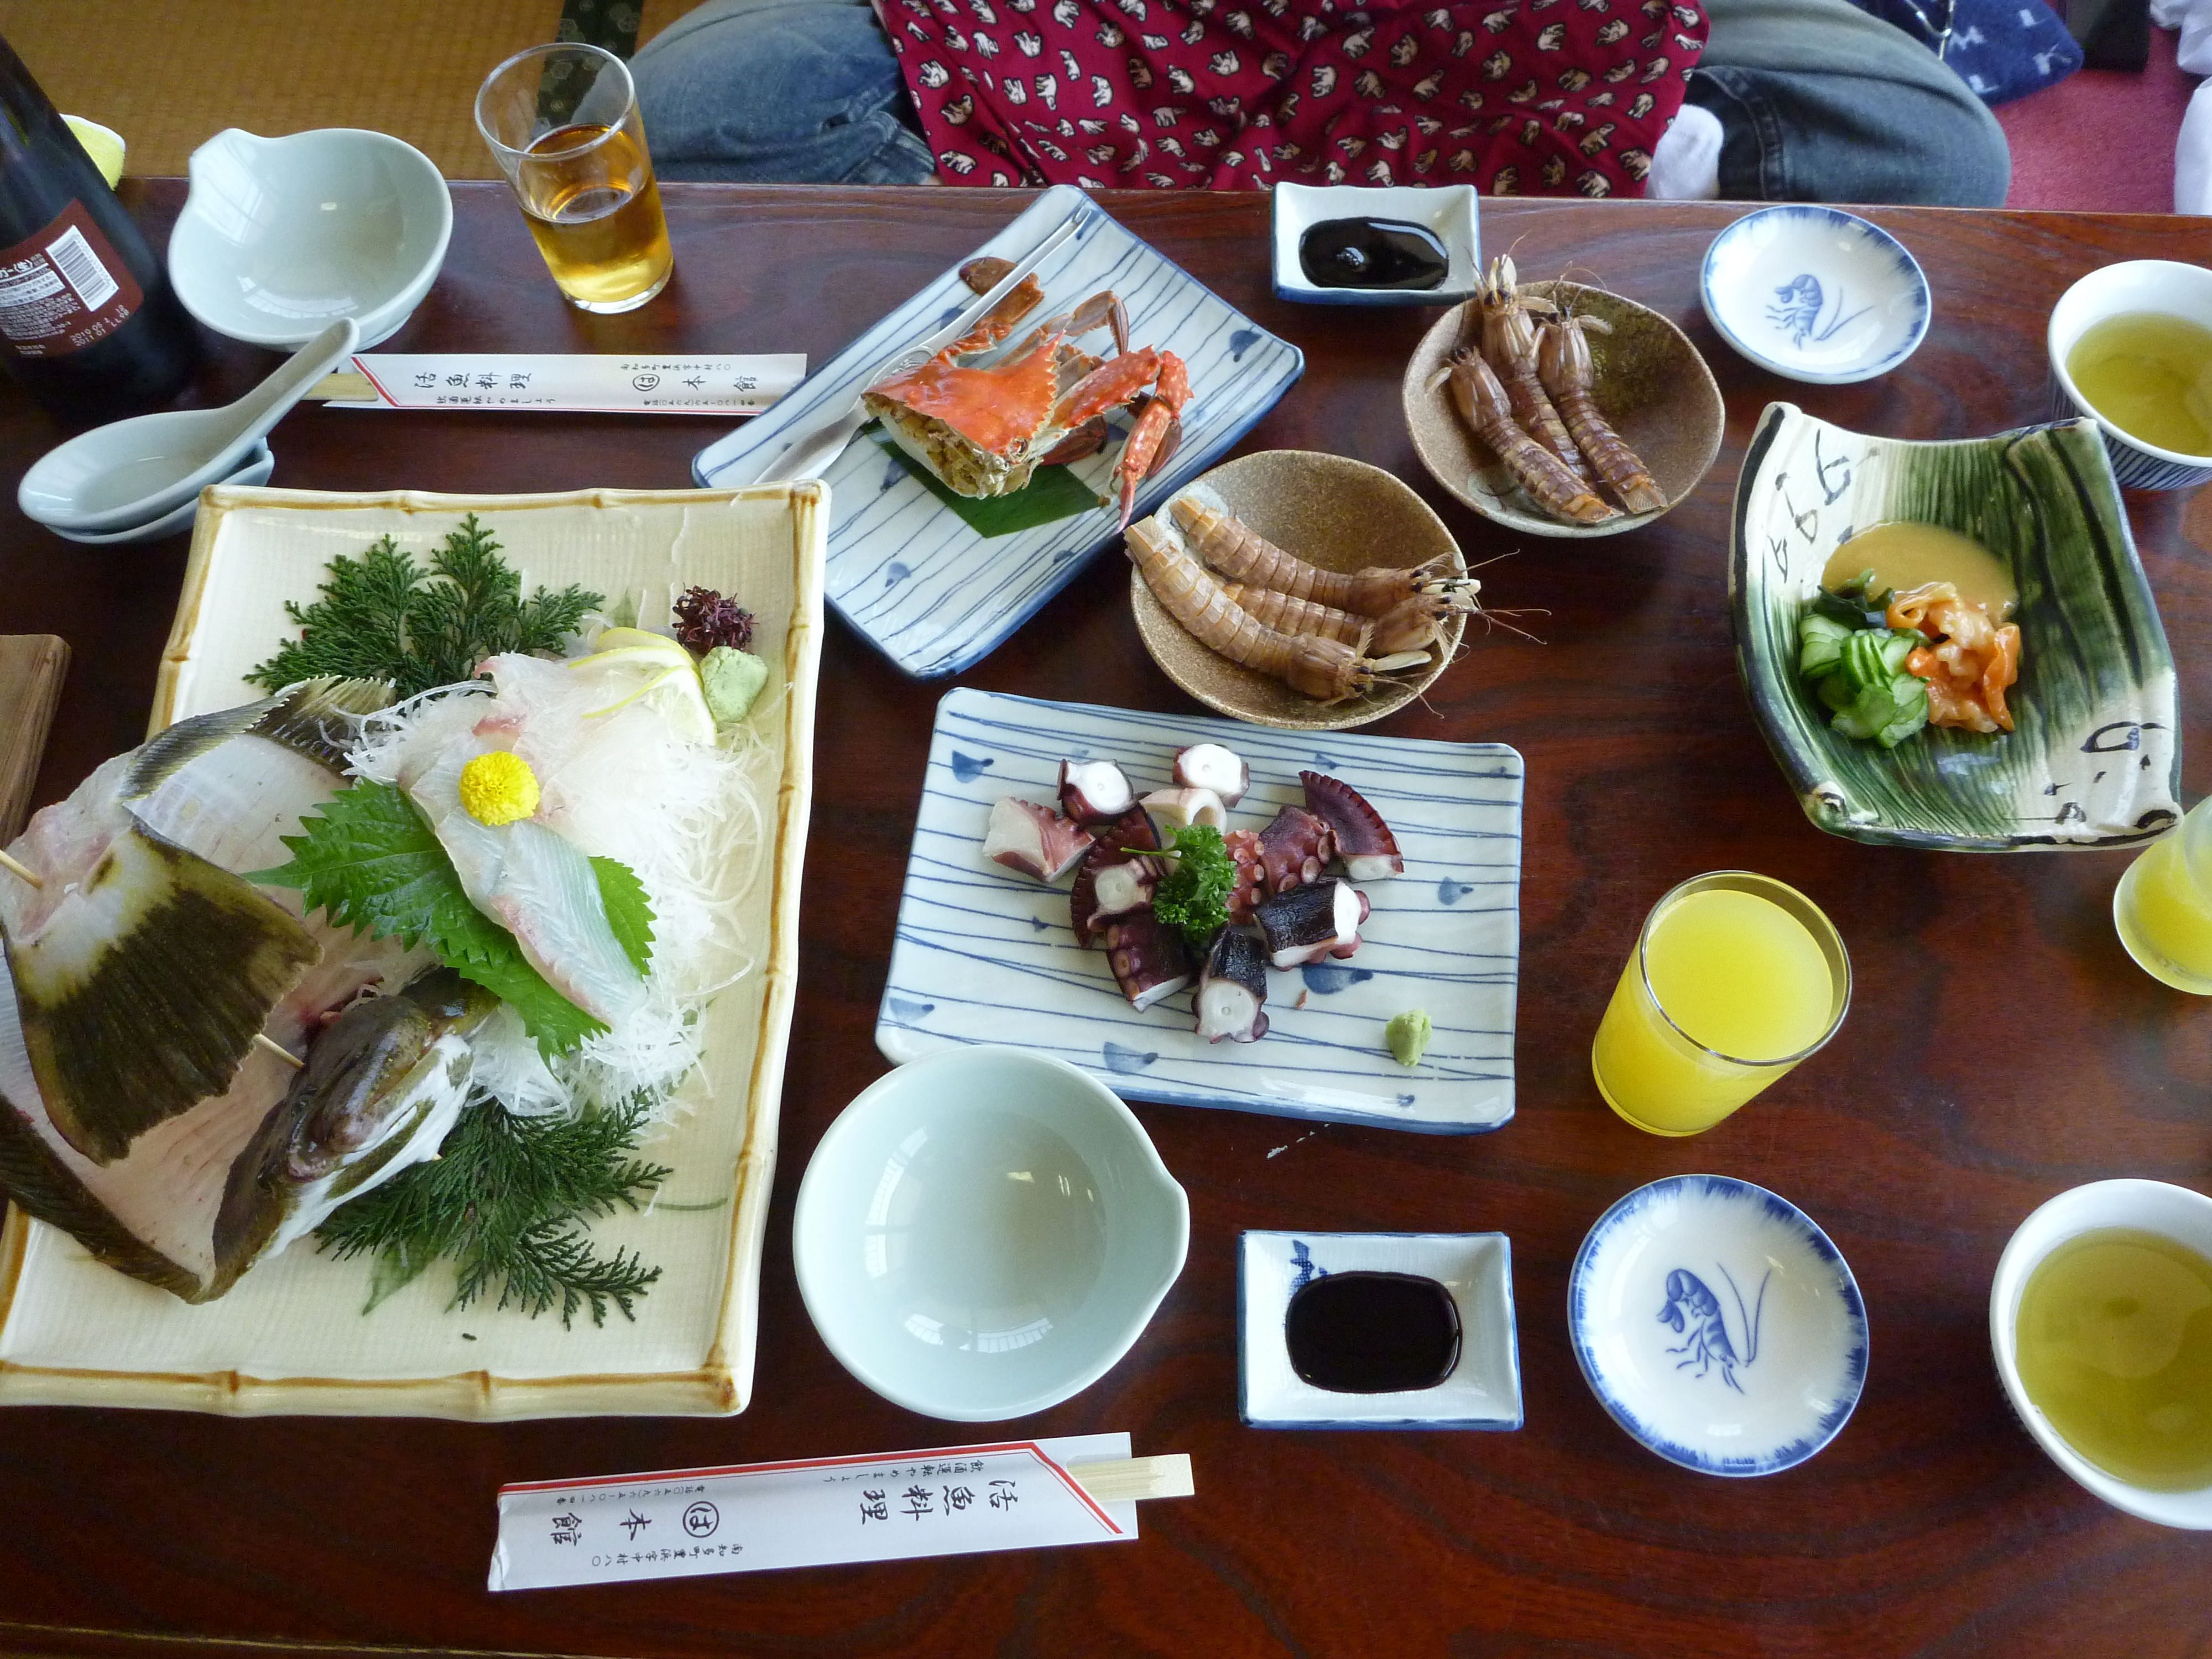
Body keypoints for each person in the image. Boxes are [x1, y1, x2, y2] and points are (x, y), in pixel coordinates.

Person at [631, 0, 2007, 203]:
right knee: (675, 103)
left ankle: (1642, 162)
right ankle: (974, 236)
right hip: (1118, 35)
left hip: (1511, 41)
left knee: (1944, 154)